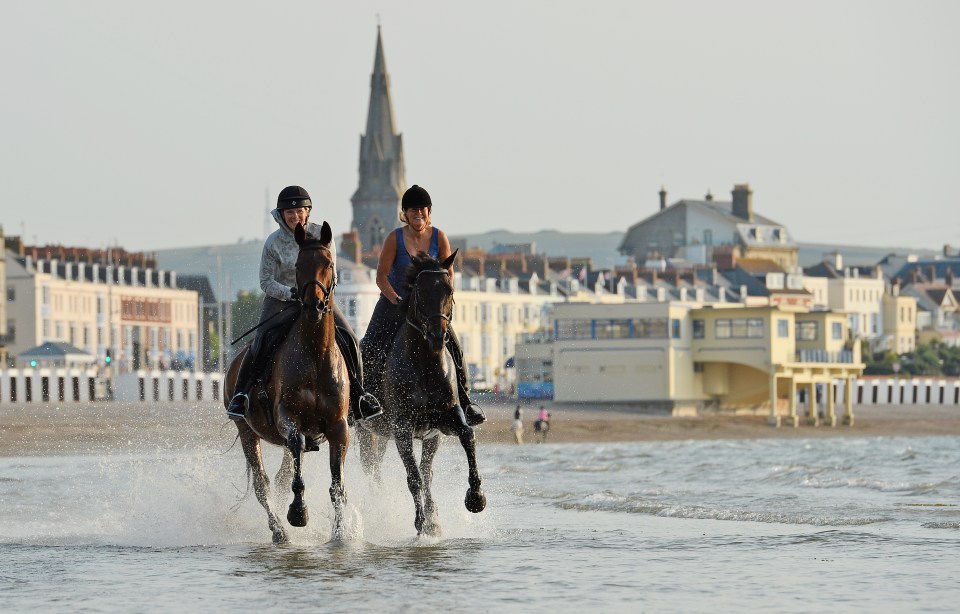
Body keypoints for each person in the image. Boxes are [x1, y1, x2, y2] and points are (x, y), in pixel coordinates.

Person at [225, 185, 382, 423]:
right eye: (289, 212)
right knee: (262, 339)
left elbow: (333, 276)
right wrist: (292, 294)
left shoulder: (323, 236)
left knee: (349, 338)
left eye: (299, 211)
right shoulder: (273, 242)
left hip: (319, 300)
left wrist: (316, 296)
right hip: (281, 300)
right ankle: (242, 394)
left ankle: (360, 395)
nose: (295, 216)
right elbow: (266, 282)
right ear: (281, 215)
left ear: (308, 211)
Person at [360, 184, 485, 426]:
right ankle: (365, 401)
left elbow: (447, 274)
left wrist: (445, 302)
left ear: (429, 211)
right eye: (412, 210)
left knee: (455, 349)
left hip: (428, 307)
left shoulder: (440, 237)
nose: (418, 214)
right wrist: (395, 299)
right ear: (404, 213)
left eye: (422, 209)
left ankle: (467, 403)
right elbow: (381, 276)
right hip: (394, 301)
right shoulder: (394, 239)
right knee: (369, 346)